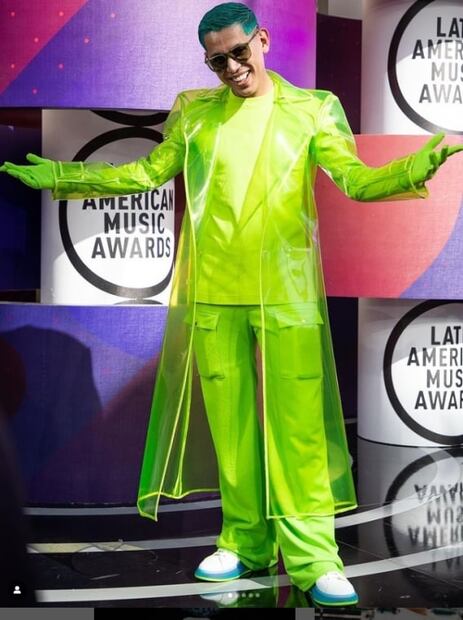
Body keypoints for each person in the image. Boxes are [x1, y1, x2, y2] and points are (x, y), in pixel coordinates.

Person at [1, 2, 462, 607]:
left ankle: (315, 556)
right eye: (217, 61)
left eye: (239, 53)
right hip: (216, 297)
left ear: (262, 40)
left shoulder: (313, 108)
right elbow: (145, 174)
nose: (232, 68)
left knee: (298, 434)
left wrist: (411, 169)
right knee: (233, 432)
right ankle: (243, 540)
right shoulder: (195, 112)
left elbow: (354, 180)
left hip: (288, 298)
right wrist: (65, 177)